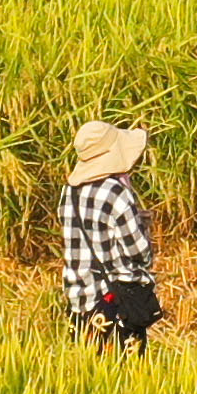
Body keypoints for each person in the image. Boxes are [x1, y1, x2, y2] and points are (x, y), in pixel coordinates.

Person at [61, 119, 160, 344]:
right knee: (128, 375)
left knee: (86, 372)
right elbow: (139, 252)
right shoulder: (116, 192)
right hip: (116, 304)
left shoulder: (69, 192)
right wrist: (142, 227)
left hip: (80, 302)